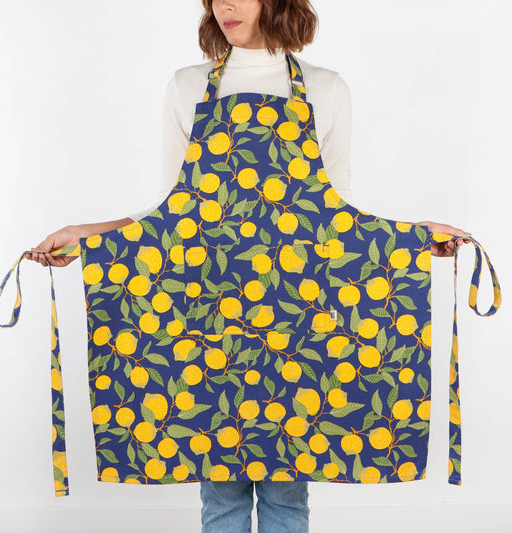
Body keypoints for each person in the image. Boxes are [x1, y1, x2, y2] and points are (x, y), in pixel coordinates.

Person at [26, 1, 471, 531]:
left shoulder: (327, 88)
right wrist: (92, 236)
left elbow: (338, 211)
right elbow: (169, 210)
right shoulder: (187, 86)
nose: (225, 5)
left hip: (294, 322)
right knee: (222, 499)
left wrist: (411, 239)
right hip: (212, 319)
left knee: (287, 498)